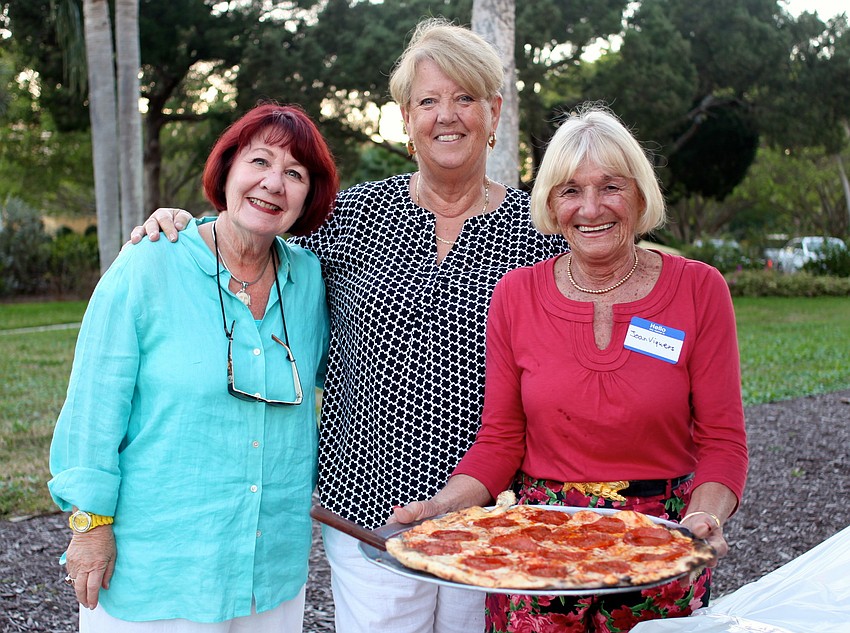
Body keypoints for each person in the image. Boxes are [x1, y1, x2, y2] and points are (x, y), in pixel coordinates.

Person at [130, 18, 567, 633]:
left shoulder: (544, 233)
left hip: (492, 514)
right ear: (406, 121)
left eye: (466, 98)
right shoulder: (355, 216)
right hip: (367, 509)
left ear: (494, 113)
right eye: (428, 101)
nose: (448, 116)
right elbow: (254, 226)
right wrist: (178, 223)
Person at [392, 104, 748, 632]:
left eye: (611, 187)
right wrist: (443, 506)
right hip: (536, 546)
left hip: (661, 545)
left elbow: (723, 440)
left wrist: (706, 517)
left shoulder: (699, 289)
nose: (590, 208)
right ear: (551, 204)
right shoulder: (517, 293)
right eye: (570, 191)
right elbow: (501, 438)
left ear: (640, 194)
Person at [49, 103, 338, 632]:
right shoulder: (151, 261)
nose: (274, 183)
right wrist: (89, 524)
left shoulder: (311, 281)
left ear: (307, 196)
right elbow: (94, 403)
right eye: (260, 162)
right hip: (161, 569)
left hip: (268, 569)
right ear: (226, 170)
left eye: (294, 173)